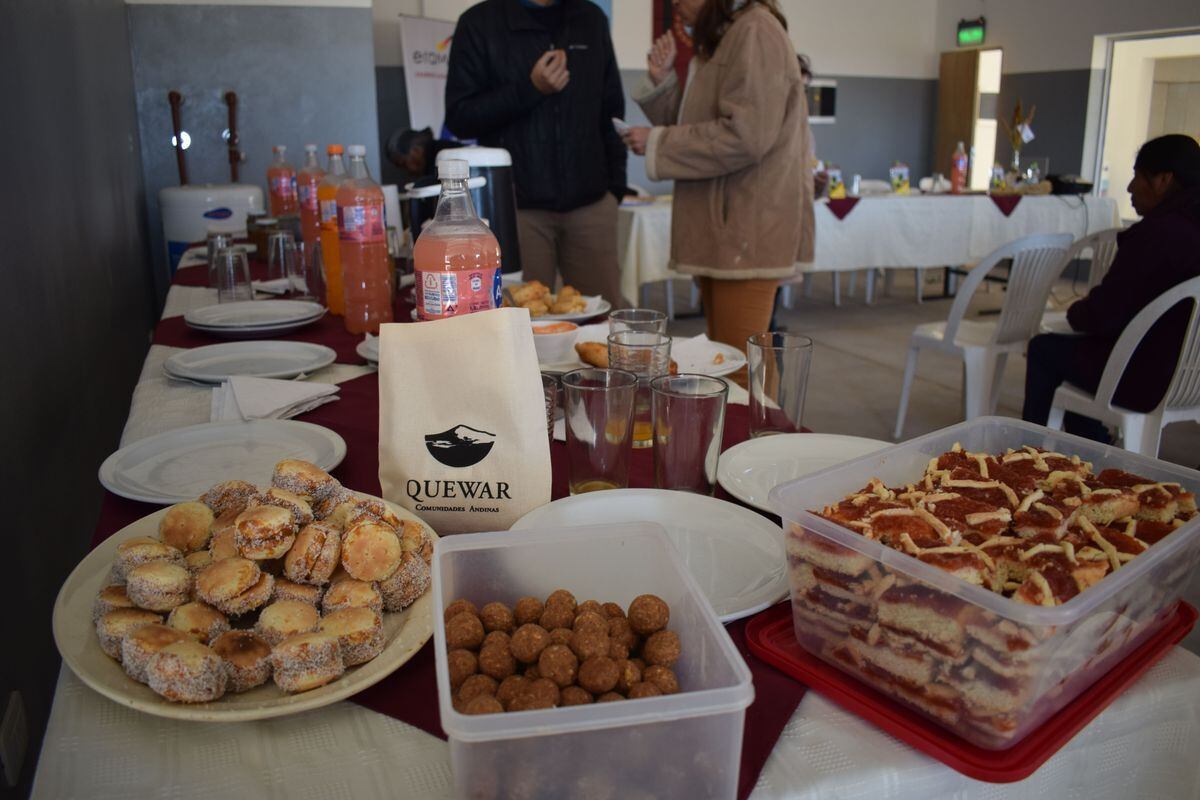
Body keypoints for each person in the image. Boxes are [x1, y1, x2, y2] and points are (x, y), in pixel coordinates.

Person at [624, 0, 814, 387]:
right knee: (725, 362)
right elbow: (697, 126)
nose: (677, 3)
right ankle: (738, 444)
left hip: (746, 227)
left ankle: (758, 445)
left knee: (741, 370)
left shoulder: (755, 30)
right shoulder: (726, 36)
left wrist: (659, 141)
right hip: (723, 227)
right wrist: (663, 83)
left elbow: (746, 137)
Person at [444, 0, 628, 308]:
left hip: (592, 204)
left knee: (602, 320)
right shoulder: (480, 22)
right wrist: (531, 89)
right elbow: (460, 118)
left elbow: (612, 111)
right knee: (523, 323)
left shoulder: (590, 18)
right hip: (518, 209)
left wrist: (615, 190)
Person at [1022, 134, 1200, 441]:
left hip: (1148, 378)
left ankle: (1028, 451)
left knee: (1045, 349)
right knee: (1083, 357)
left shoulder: (1156, 235)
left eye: (1137, 176)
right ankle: (1094, 443)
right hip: (1191, 378)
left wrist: (1078, 311)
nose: (1130, 187)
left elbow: (1103, 315)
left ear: (1164, 180)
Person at [384, 127, 459, 186]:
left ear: (416, 151)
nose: (407, 172)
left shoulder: (443, 158)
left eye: (403, 164)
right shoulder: (436, 154)